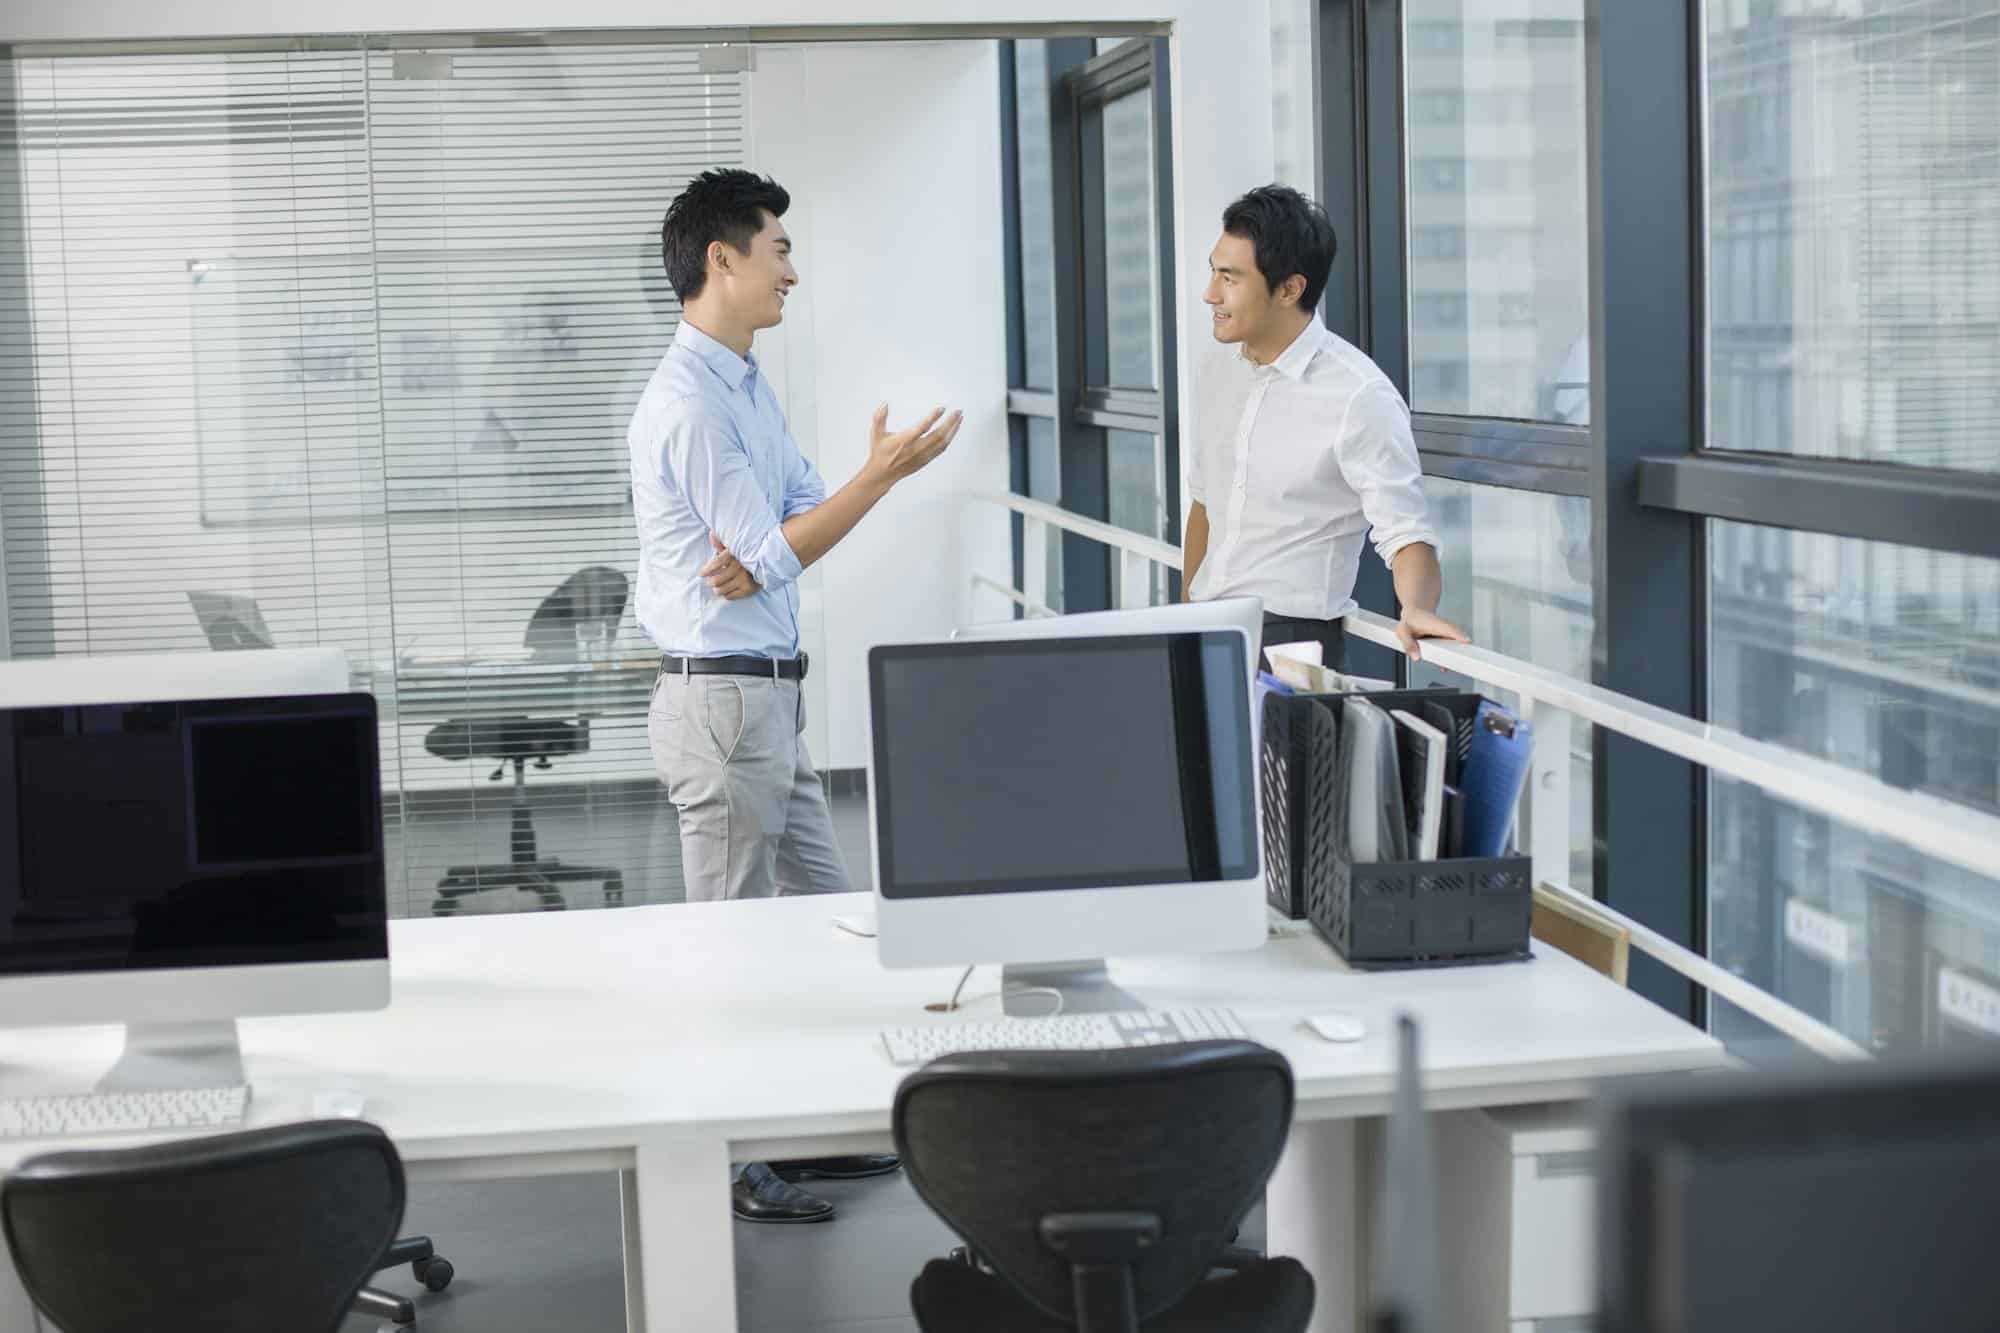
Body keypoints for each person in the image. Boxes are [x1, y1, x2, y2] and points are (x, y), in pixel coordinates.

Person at [628, 168, 962, 1224]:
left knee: (827, 915)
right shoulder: (687, 402)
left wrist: (813, 515)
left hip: (766, 700)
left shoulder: (742, 381)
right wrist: (880, 480)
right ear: (721, 259)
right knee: (727, 946)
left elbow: (793, 518)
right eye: (776, 247)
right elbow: (776, 549)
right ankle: (728, 1154)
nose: (791, 267)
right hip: (721, 705)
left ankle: (799, 1129)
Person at [1184, 185, 1467, 668]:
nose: (1210, 293)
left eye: (1230, 278)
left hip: (1292, 646)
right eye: (1214, 270)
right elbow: (1204, 504)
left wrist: (1417, 607)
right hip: (1205, 630)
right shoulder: (1217, 370)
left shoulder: (1359, 395)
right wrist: (1185, 613)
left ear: (1289, 289)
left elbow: (1407, 534)